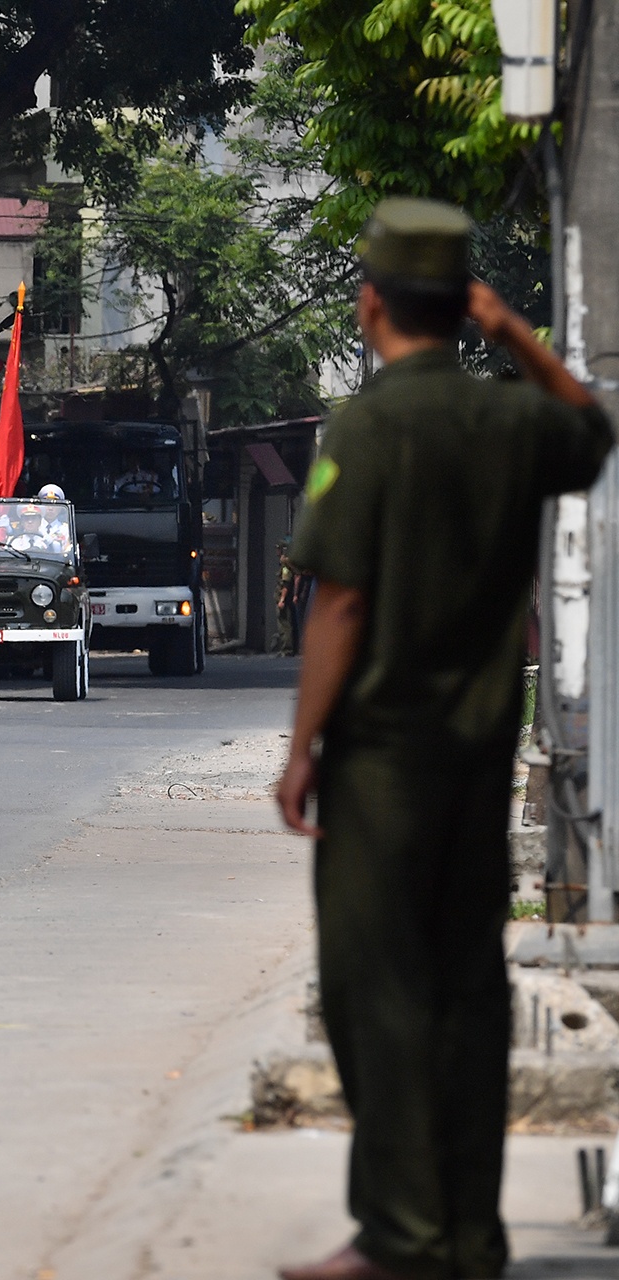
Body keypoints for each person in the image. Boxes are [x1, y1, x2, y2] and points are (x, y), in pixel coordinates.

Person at [274, 198, 613, 1280]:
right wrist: (514, 331)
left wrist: (302, 747)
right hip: (482, 756)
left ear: (371, 301)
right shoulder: (507, 421)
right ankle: (467, 1233)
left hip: (384, 761)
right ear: (461, 305)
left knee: (379, 988)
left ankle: (402, 1234)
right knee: (468, 988)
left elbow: (340, 605)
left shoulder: (366, 429)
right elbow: (595, 428)